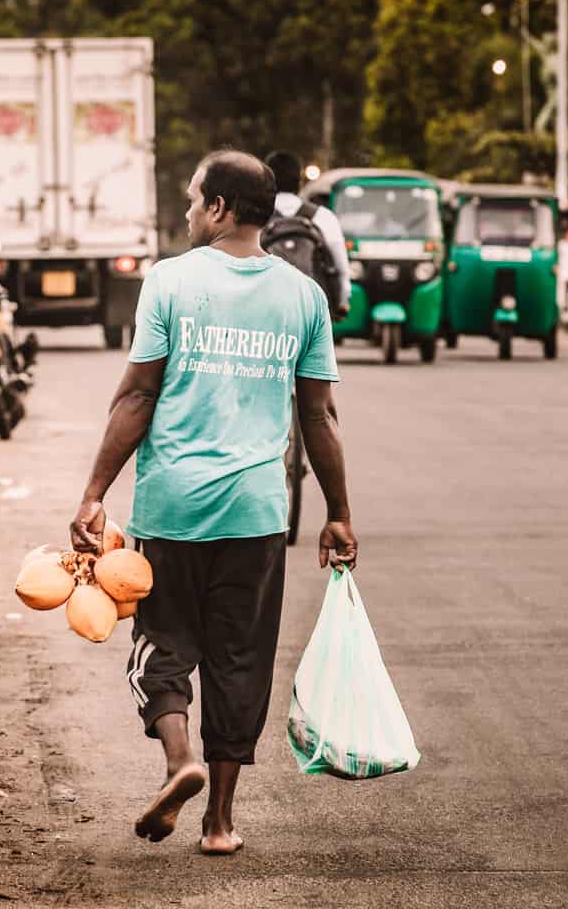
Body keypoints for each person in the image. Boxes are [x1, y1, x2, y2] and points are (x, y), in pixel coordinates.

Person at [69, 150, 359, 855]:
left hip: (172, 510)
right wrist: (338, 512)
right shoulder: (303, 297)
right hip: (257, 513)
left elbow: (138, 394)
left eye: (197, 199)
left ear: (222, 207)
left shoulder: (171, 280)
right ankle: (221, 823)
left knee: (160, 647)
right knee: (239, 660)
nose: (191, 211)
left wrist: (94, 492)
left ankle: (179, 760)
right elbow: (317, 417)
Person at [264, 150, 349, 319]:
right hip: (311, 309)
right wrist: (342, 301)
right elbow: (340, 266)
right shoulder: (323, 216)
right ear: (299, 181)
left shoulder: (257, 216)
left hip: (267, 308)